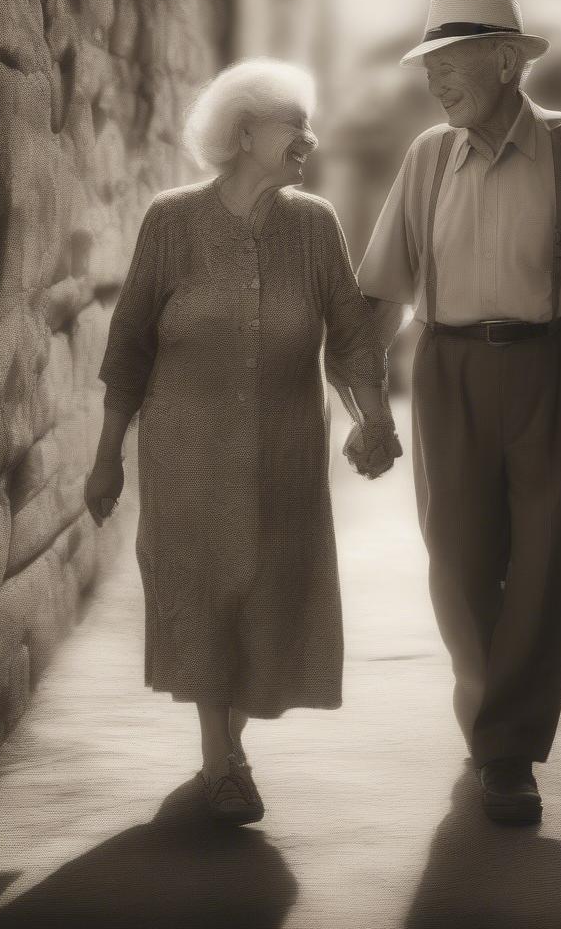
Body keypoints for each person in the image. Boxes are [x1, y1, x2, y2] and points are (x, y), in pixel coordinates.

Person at [354, 0, 561, 825]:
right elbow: (382, 292)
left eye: (450, 66)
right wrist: (364, 403)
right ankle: (492, 710)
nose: (437, 84)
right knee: (456, 558)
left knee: (541, 562)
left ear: (505, 63)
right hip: (449, 367)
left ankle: (509, 751)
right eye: (430, 69)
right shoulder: (426, 157)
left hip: (556, 368)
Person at [85, 58, 401, 825]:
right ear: (246, 131)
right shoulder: (171, 221)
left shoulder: (315, 225)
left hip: (285, 461)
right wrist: (106, 457)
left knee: (267, 603)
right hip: (187, 462)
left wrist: (375, 416)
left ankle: (227, 753)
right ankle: (221, 761)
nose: (309, 138)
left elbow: (352, 339)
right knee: (203, 597)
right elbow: (129, 345)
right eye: (295, 123)